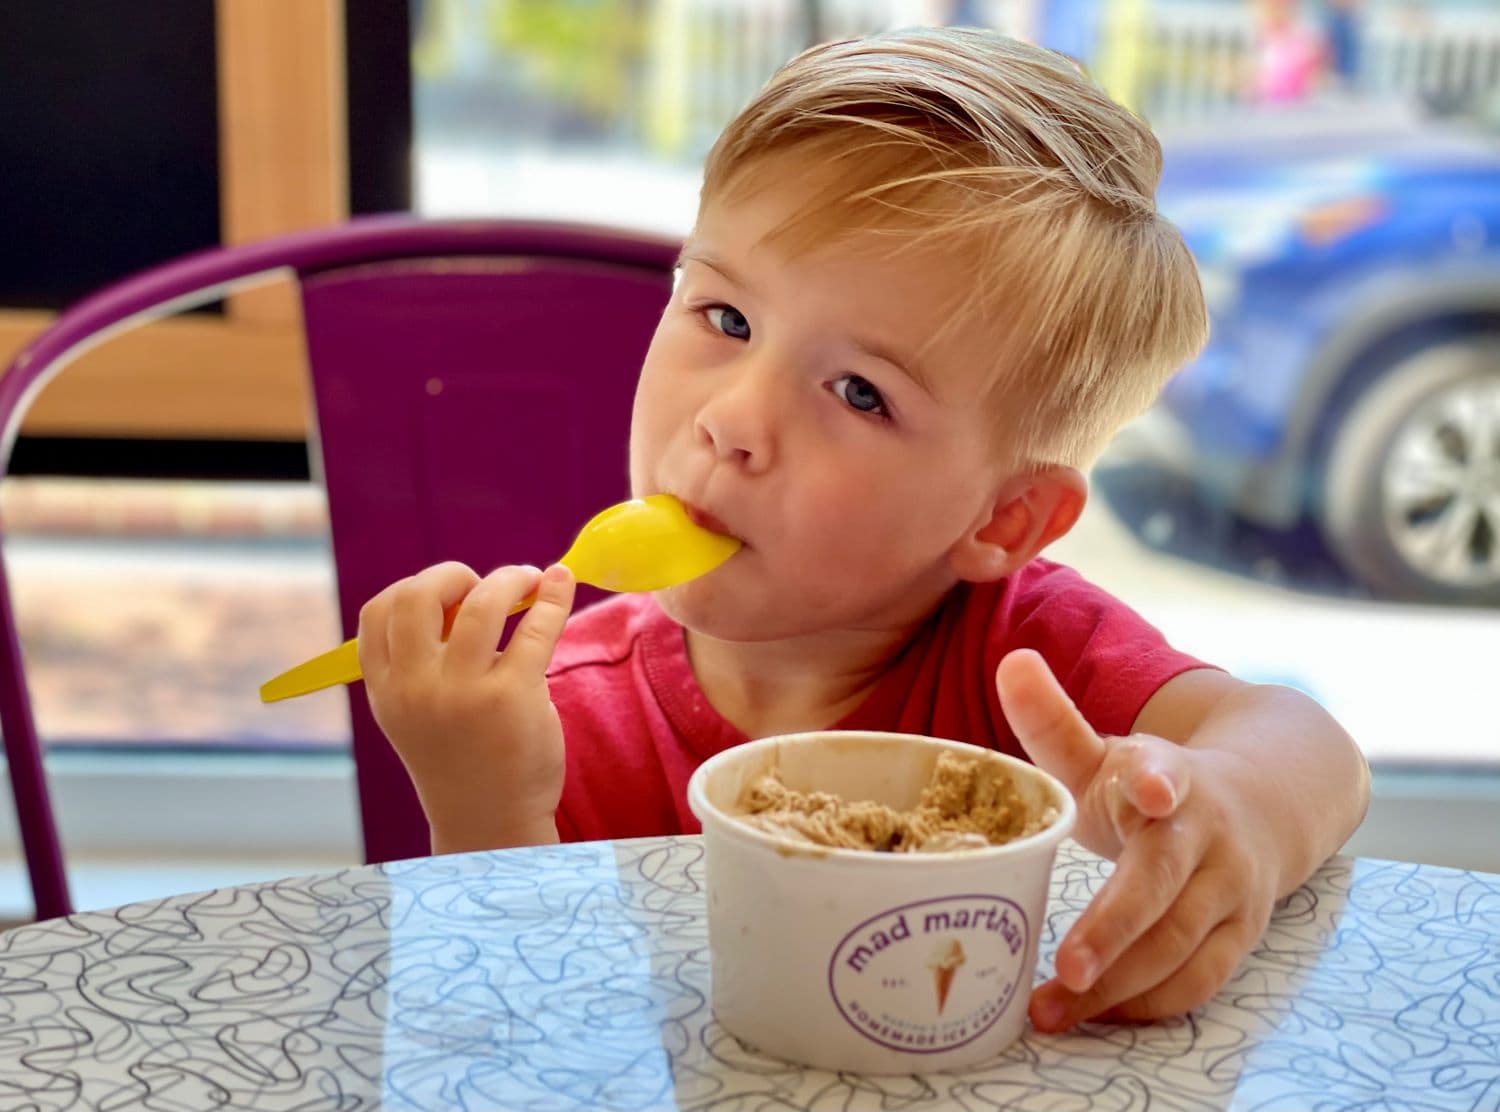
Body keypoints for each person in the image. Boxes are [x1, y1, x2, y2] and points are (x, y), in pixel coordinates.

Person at [356, 27, 1370, 1036]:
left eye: (858, 391)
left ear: (1003, 517)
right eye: (726, 318)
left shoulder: (1025, 660)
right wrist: (479, 802)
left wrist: (1233, 812)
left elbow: (1309, 745)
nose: (734, 420)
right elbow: (523, 1040)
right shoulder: (552, 722)